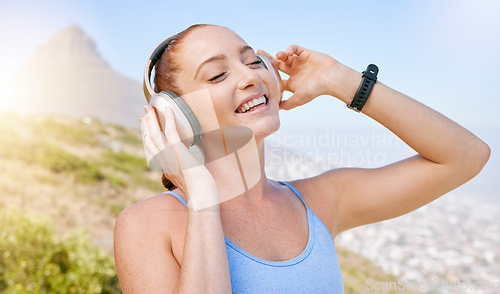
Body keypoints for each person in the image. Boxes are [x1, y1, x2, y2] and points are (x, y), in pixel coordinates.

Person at [113, 24, 490, 293]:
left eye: (252, 61)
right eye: (216, 75)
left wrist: (339, 80)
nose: (248, 76)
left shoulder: (322, 200)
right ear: (175, 114)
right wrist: (202, 199)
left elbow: (465, 157)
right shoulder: (147, 226)